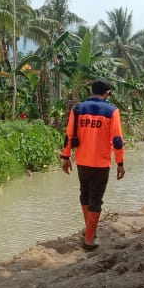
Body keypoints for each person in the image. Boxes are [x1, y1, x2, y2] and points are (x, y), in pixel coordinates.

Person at [60, 78, 125, 251]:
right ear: (108, 93)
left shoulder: (78, 109)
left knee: (85, 195)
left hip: (82, 161)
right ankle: (89, 240)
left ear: (91, 91)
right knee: (96, 199)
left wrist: (65, 157)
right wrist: (120, 162)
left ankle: (90, 231)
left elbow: (68, 135)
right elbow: (117, 140)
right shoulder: (112, 111)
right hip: (101, 163)